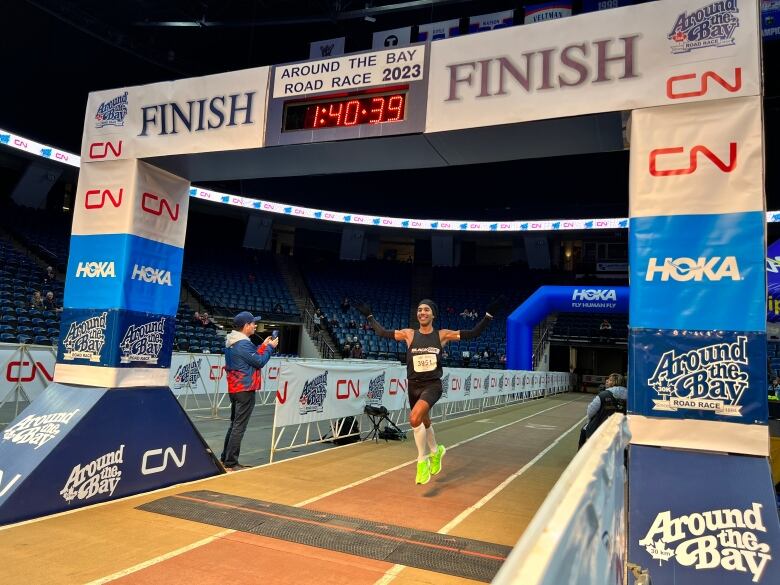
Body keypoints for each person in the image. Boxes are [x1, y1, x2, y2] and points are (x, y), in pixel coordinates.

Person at [356, 296, 501, 485]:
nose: (422, 312)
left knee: (414, 418)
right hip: (413, 386)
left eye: (426, 310)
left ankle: (421, 461)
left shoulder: (442, 335)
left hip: (432, 385)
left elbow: (473, 333)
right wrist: (369, 316)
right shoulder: (409, 334)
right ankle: (436, 451)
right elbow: (382, 332)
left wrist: (488, 316)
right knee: (424, 421)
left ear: (433, 314)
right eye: (419, 310)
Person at [221, 311, 278, 471]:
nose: (255, 326)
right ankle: (231, 463)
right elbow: (259, 362)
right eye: (253, 323)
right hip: (245, 388)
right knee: (239, 426)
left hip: (236, 388)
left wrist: (263, 346)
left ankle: (226, 459)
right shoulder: (243, 344)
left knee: (234, 425)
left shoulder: (233, 342)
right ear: (246, 326)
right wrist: (270, 348)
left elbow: (251, 358)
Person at [578, 373, 627, 450]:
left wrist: (591, 421)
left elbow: (590, 411)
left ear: (615, 382)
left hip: (602, 427)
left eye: (610, 380)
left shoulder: (603, 395)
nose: (607, 381)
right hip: (623, 428)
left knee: (584, 430)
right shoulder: (630, 395)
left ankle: (581, 454)